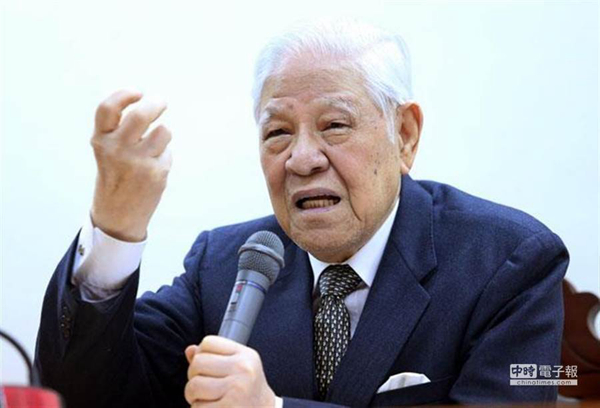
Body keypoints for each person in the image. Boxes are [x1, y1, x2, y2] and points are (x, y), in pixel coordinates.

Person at [35, 19, 569, 407]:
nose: (302, 158)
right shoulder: (226, 263)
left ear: (404, 136)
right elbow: (82, 395)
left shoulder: (511, 262)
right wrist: (116, 227)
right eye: (278, 132)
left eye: (335, 125)